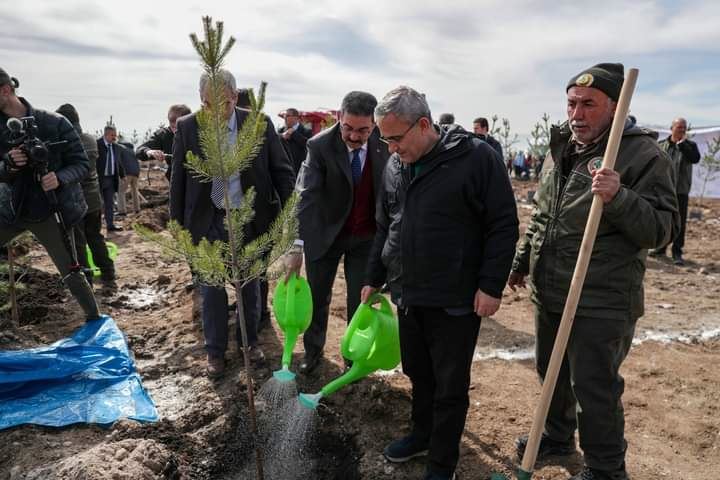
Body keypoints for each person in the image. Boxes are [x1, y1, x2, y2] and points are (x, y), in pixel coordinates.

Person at [508, 63, 680, 480]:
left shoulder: (643, 155)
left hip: (601, 296)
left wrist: (619, 196)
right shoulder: (562, 145)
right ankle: (557, 435)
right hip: (551, 286)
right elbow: (544, 214)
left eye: (588, 104)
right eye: (571, 103)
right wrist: (522, 260)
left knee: (594, 386)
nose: (576, 114)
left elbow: (661, 230)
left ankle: (605, 467)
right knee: (552, 372)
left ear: (616, 107)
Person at [361, 86, 519, 480]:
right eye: (384, 139)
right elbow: (387, 224)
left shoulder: (476, 158)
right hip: (409, 291)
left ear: (425, 124)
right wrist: (373, 277)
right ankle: (422, 435)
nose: (390, 148)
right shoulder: (397, 166)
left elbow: (502, 225)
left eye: (395, 138)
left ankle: (442, 464)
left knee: (449, 385)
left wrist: (491, 285)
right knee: (418, 372)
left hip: (455, 297)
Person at [170, 69, 295, 378]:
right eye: (206, 104)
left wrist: (289, 213)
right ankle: (215, 351)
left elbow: (281, 172)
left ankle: (249, 344)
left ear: (235, 97)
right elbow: (178, 181)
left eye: (222, 104)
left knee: (249, 288)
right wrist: (178, 227)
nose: (214, 112)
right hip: (206, 219)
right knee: (211, 290)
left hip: (248, 219)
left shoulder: (258, 124)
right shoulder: (187, 127)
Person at [286, 91, 390, 375]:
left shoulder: (385, 142)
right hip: (326, 233)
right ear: (339, 118)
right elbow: (304, 196)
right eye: (348, 128)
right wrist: (296, 246)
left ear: (374, 124)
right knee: (318, 298)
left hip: (366, 236)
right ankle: (312, 352)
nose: (354, 137)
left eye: (363, 131)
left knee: (360, 301)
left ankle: (353, 358)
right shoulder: (319, 146)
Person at [0, 68, 100, 321]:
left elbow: (82, 164)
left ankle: (94, 321)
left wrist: (59, 178)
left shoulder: (53, 122)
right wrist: (8, 164)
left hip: (50, 210)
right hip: (11, 208)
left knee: (71, 271)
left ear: (5, 90)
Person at [55, 103, 116, 284]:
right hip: (94, 200)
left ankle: (86, 280)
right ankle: (108, 274)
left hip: (76, 201)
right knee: (96, 237)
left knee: (78, 243)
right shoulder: (90, 140)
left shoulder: (65, 143)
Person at [650, 117, 700, 265]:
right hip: (662, 190)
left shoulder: (690, 146)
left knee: (680, 222)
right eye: (679, 127)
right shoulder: (661, 145)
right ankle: (660, 248)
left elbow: (695, 159)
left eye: (684, 128)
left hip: (681, 191)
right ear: (671, 128)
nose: (682, 130)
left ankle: (677, 252)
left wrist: (683, 145)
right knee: (663, 218)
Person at [136, 104, 191, 181]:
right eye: (172, 125)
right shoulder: (163, 134)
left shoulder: (200, 132)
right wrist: (150, 152)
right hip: (176, 179)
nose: (175, 130)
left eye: (179, 125)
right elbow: (139, 151)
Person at [96, 125, 125, 232]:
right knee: (97, 204)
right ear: (106, 134)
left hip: (111, 179)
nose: (114, 137)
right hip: (98, 179)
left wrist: (123, 175)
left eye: (115, 135)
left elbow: (118, 162)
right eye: (112, 135)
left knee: (110, 203)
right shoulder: (96, 144)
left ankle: (110, 225)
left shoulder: (115, 147)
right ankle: (96, 228)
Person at [278, 107, 312, 174]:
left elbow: (308, 145)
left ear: (296, 118)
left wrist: (294, 133)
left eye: (287, 116)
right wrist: (282, 137)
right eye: (284, 116)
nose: (285, 118)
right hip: (284, 169)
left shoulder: (306, 131)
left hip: (300, 170)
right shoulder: (280, 131)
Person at [117, 136, 140, 215]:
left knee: (121, 191)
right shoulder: (131, 150)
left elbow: (118, 161)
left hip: (126, 172)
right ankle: (137, 209)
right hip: (136, 173)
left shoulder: (120, 148)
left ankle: (122, 211)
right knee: (134, 190)